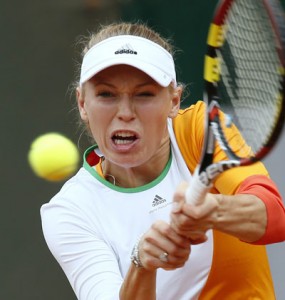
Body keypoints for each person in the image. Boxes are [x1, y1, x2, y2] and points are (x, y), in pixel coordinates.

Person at [40, 21, 285, 300]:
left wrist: (212, 210)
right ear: (83, 103)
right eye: (106, 94)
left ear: (174, 101)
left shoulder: (200, 130)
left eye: (144, 94)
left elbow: (275, 217)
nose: (125, 112)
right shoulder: (70, 211)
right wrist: (141, 264)